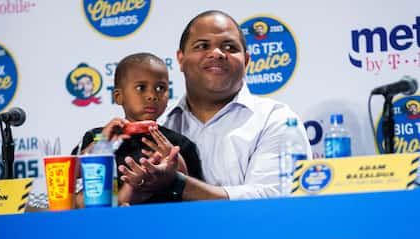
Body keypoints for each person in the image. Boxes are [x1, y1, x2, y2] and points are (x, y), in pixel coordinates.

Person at [118, 10, 312, 201]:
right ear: (180, 58)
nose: (217, 53)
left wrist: (178, 184)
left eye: (230, 47)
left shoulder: (276, 120)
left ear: (246, 61)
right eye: (202, 46)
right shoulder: (160, 126)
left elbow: (271, 200)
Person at [73, 53, 203, 205]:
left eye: (161, 88)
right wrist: (101, 143)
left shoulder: (180, 144)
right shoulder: (97, 136)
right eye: (141, 88)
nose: (152, 95)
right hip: (107, 222)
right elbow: (69, 177)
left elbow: (196, 199)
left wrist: (177, 169)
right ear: (118, 96)